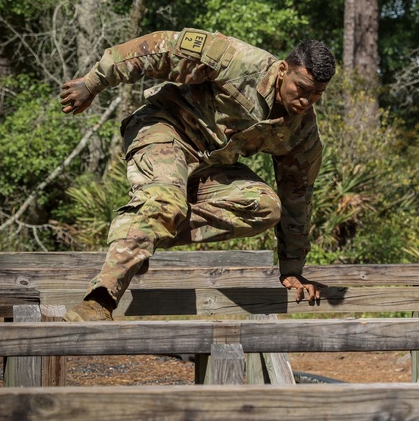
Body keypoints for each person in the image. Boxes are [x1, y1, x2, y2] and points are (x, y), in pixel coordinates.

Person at [58, 29, 336, 321]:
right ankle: (98, 301)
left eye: (317, 94)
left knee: (265, 206)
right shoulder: (238, 61)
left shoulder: (302, 134)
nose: (307, 100)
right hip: (166, 128)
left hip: (211, 164)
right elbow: (160, 49)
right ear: (283, 70)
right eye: (301, 88)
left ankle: (144, 232)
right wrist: (93, 82)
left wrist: (292, 270)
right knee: (164, 203)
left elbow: (298, 198)